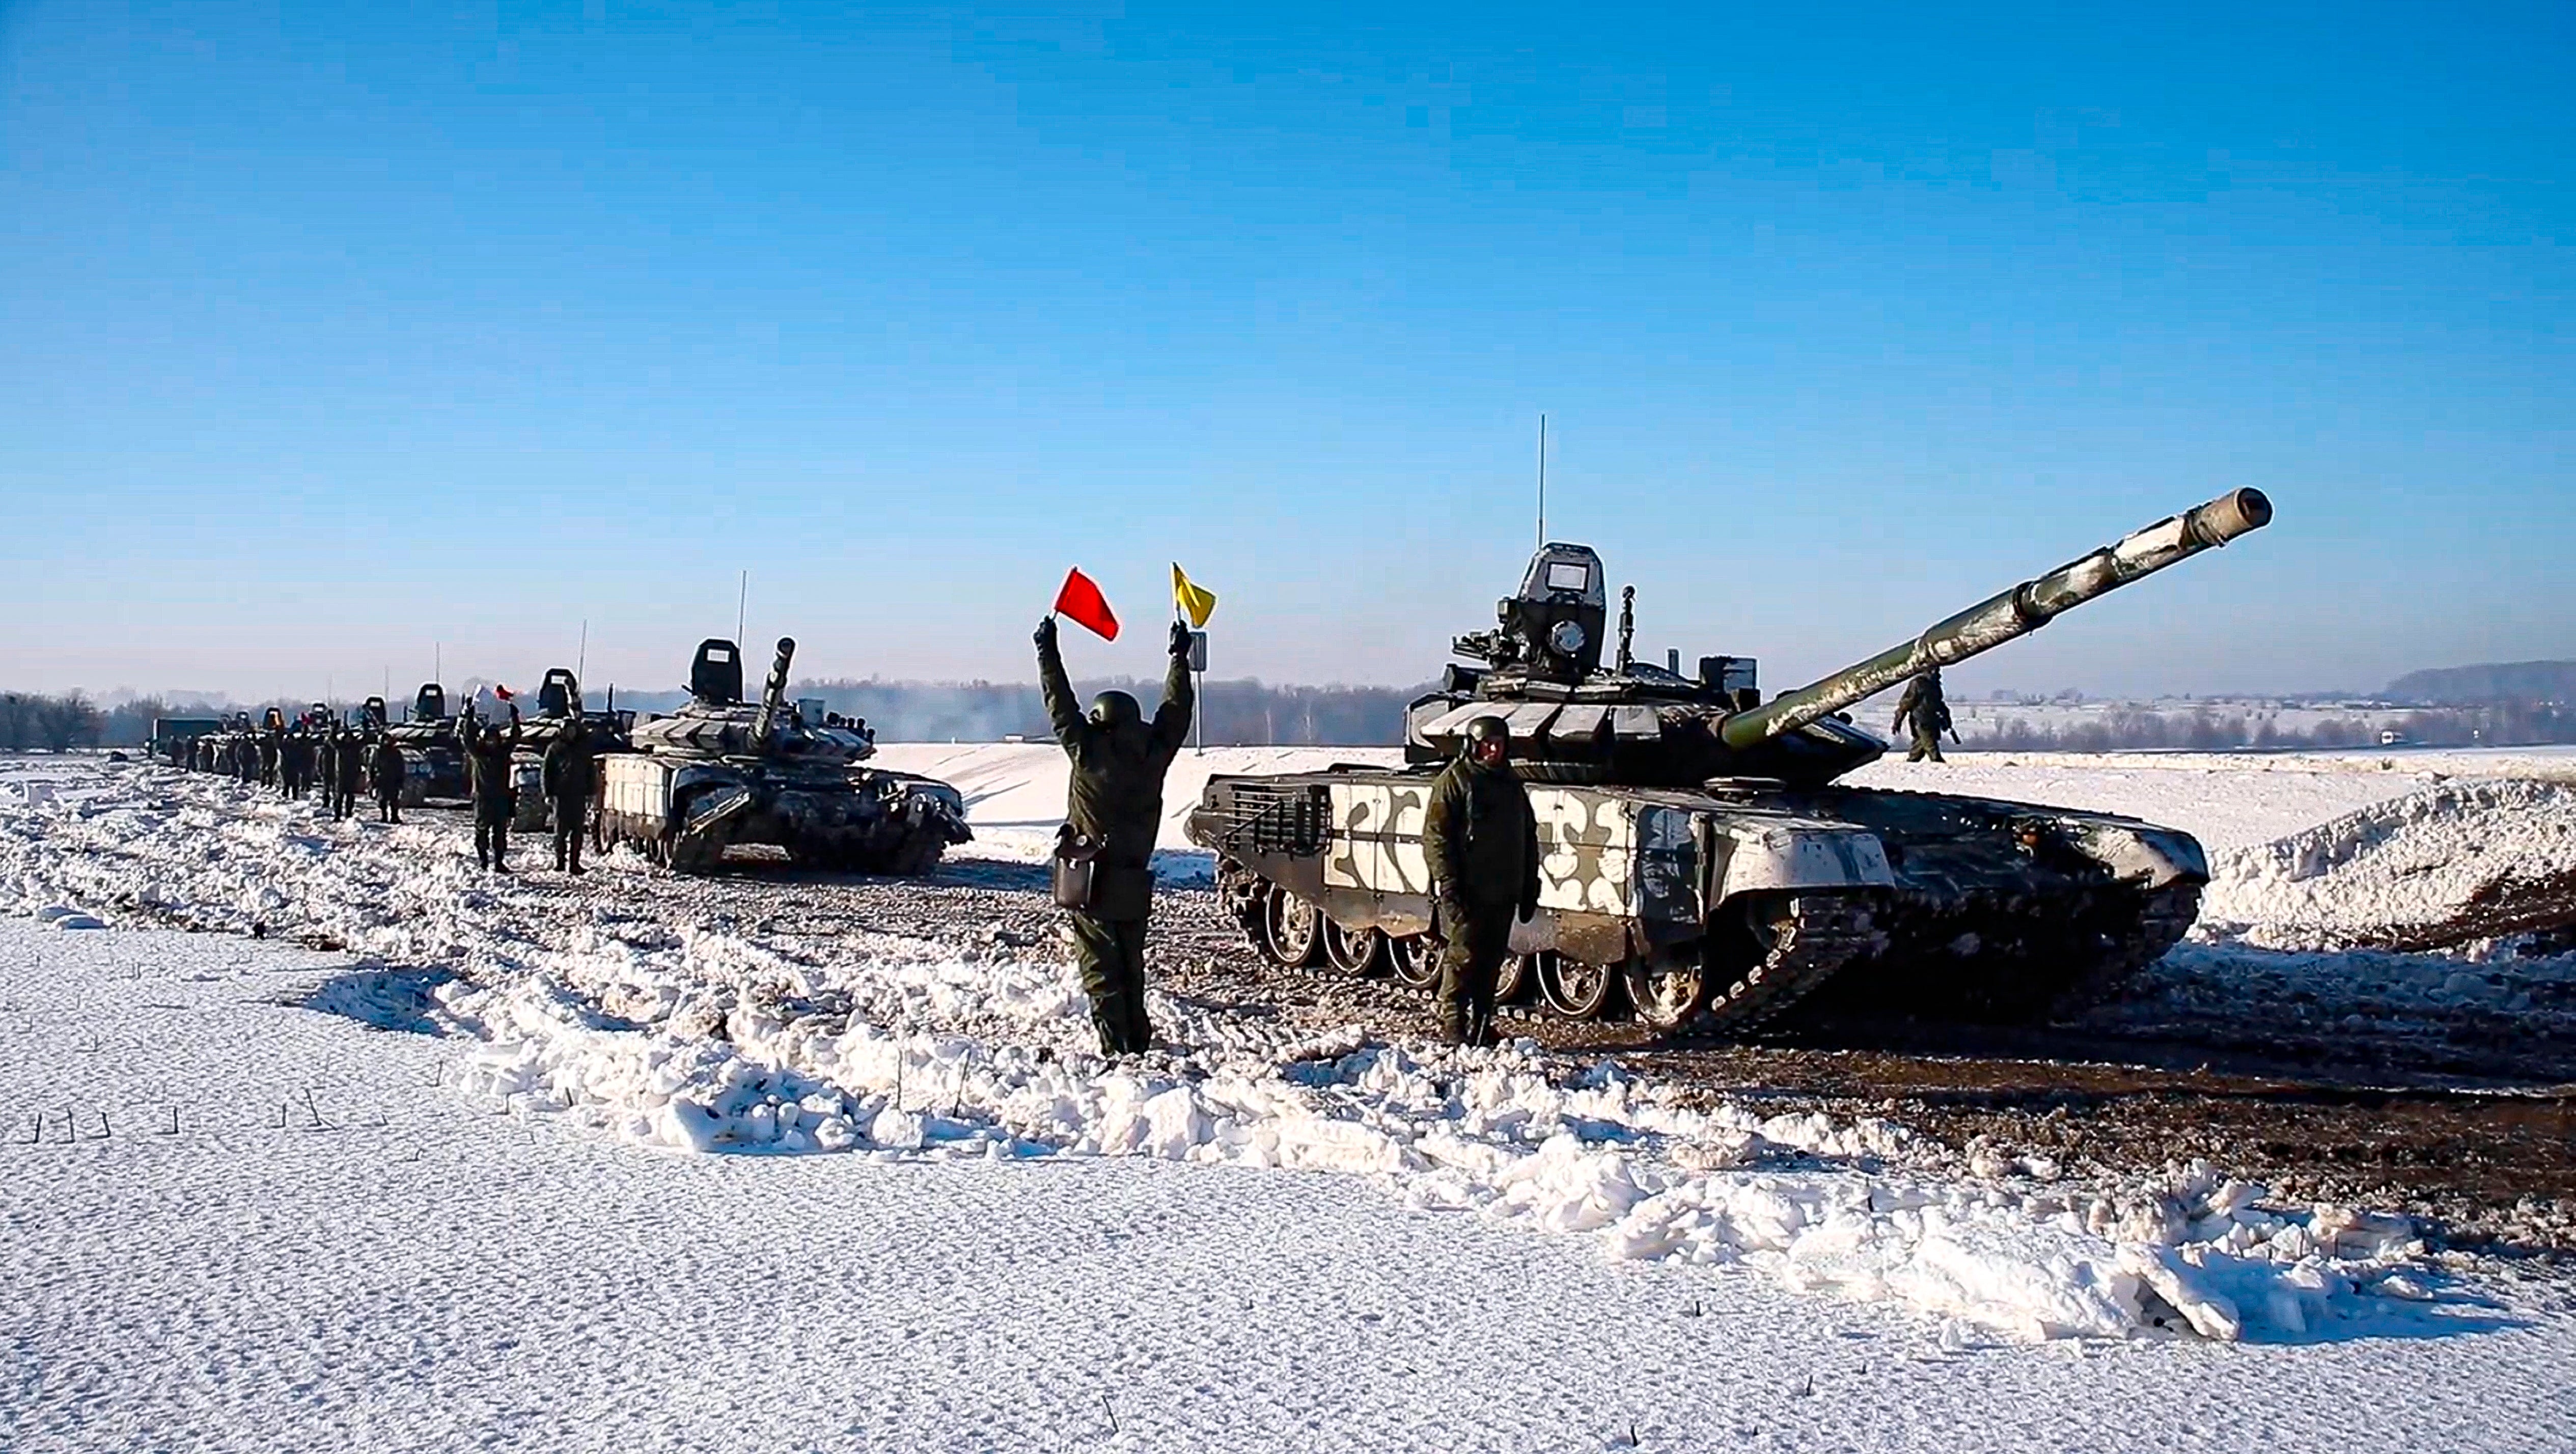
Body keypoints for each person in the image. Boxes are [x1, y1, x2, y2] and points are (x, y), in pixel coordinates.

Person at [1035, 613, 1194, 1055]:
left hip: (1091, 879)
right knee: (1130, 965)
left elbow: (1058, 703)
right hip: (1133, 876)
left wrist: (1047, 650)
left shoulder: (1089, 753)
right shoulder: (1154, 754)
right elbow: (1176, 712)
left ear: (1100, 719)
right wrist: (1179, 659)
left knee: (1100, 969)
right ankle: (1136, 1043)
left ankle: (1117, 1048)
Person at [1420, 714, 1541, 1048]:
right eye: (1486, 744)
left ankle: (1483, 1022)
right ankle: (1453, 1023)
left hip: (1502, 889)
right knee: (1463, 957)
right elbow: (1436, 837)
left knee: (1491, 960)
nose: (1493, 750)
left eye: (1499, 744)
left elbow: (1527, 836)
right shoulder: (1456, 781)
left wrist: (1530, 882)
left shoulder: (1510, 784)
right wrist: (1446, 882)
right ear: (1472, 746)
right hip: (1468, 887)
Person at [462, 713, 521, 871]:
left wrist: (515, 719)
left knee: (500, 833)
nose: (492, 743)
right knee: (482, 832)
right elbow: (467, 740)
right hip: (483, 798)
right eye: (489, 740)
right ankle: (483, 860)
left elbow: (515, 738)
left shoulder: (503, 754)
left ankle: (499, 862)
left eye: (494, 740)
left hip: (501, 797)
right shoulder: (478, 754)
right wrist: (468, 718)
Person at [541, 722, 595, 874]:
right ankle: (560, 862)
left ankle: (575, 863)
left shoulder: (582, 749)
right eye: (568, 730)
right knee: (561, 832)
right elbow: (547, 772)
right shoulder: (555, 749)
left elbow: (590, 771)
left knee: (577, 832)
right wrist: (548, 793)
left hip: (578, 794)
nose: (571, 733)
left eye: (573, 730)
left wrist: (591, 792)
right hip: (561, 795)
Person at [1892, 667, 1954, 764]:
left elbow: (1939, 703)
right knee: (1931, 745)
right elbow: (1906, 703)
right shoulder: (1918, 683)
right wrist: (1898, 722)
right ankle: (1938, 763)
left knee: (1919, 746)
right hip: (1921, 719)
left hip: (1933, 719)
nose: (1934, 672)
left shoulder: (1936, 684)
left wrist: (1946, 719)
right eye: (1932, 670)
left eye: (1936, 670)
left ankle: (1911, 763)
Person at [371, 736, 406, 824]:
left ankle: (394, 816)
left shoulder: (396, 753)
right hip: (382, 778)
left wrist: (401, 780)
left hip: (394, 779)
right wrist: (372, 780)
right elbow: (372, 766)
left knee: (394, 799)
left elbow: (401, 767)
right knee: (383, 799)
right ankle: (384, 816)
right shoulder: (378, 753)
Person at [332, 728, 365, 820]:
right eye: (347, 738)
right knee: (339, 797)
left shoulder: (355, 747)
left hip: (352, 774)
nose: (348, 739)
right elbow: (332, 740)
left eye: (350, 737)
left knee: (350, 797)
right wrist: (333, 730)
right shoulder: (341, 746)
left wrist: (365, 729)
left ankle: (349, 813)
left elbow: (364, 740)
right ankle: (337, 814)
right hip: (341, 774)